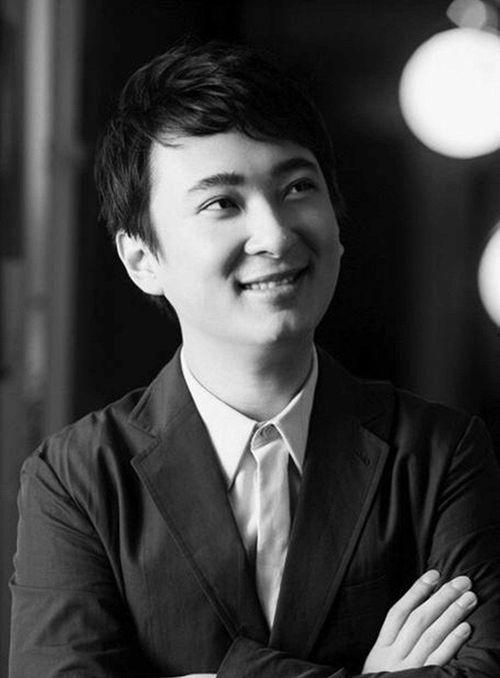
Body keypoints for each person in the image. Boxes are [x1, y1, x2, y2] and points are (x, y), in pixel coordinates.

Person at [9, 41, 500, 678]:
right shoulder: (78, 480)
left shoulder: (440, 454)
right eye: (223, 203)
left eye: (297, 187)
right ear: (142, 259)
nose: (274, 234)